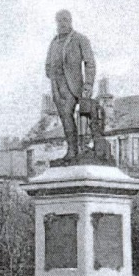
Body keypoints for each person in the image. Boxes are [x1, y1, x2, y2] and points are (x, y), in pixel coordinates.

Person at [45, 9, 95, 162]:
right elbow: (47, 64)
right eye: (59, 21)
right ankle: (71, 148)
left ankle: (77, 148)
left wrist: (88, 85)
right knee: (64, 117)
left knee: (68, 113)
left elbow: (90, 63)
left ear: (70, 21)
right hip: (56, 85)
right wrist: (52, 73)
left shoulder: (80, 39)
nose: (62, 23)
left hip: (73, 86)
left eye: (65, 20)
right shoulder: (54, 42)